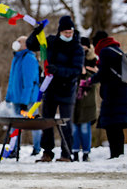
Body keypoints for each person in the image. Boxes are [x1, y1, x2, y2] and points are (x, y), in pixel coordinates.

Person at [26, 15, 84, 162]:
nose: (68, 35)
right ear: (60, 32)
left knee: (65, 122)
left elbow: (76, 71)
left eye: (70, 33)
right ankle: (47, 152)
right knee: (47, 121)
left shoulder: (77, 48)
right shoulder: (51, 41)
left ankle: (66, 153)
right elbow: (31, 45)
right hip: (49, 88)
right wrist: (36, 32)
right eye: (65, 33)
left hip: (67, 90)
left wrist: (58, 70)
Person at [89, 31, 127, 159]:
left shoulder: (105, 51)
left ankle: (115, 154)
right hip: (123, 93)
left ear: (98, 42)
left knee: (112, 126)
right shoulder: (117, 50)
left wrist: (90, 81)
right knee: (117, 126)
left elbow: (103, 73)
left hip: (113, 95)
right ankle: (118, 154)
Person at [5, 36, 42, 156]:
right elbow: (13, 81)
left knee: (34, 124)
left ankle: (37, 148)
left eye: (19, 41)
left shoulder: (28, 58)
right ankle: (13, 149)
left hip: (28, 100)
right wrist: (8, 97)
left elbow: (29, 82)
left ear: (26, 45)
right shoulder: (17, 58)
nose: (16, 43)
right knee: (15, 125)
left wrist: (24, 102)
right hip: (17, 99)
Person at [72, 37, 98, 162]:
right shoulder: (74, 60)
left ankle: (86, 152)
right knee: (74, 128)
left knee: (84, 127)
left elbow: (94, 79)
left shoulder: (93, 61)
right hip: (74, 99)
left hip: (87, 100)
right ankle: (75, 151)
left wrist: (84, 73)